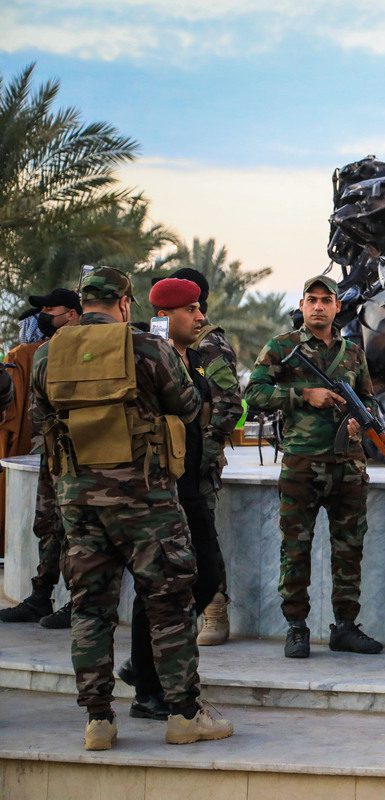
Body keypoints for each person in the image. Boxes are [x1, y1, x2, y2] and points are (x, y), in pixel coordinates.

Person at [28, 266, 233, 750]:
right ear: (125, 302)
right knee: (168, 604)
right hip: (146, 499)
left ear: (83, 302)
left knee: (90, 610)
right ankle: (183, 714)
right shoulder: (146, 347)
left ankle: (99, 721)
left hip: (78, 501)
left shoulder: (45, 354)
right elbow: (185, 404)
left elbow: (41, 418)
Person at [245, 275, 383, 659]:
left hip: (348, 466)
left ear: (338, 307)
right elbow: (253, 393)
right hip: (303, 463)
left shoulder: (353, 352)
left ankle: (346, 627)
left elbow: (370, 399)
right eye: (312, 300)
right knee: (296, 549)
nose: (319, 306)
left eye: (326, 300)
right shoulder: (282, 347)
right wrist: (303, 394)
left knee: (349, 549)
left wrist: (361, 419)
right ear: (302, 306)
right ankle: (296, 628)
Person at [119, 278, 233, 720]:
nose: (201, 317)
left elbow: (219, 406)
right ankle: (148, 688)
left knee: (206, 575)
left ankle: (150, 663)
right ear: (168, 315)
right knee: (157, 586)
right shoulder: (147, 353)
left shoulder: (199, 355)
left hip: (190, 482)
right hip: (159, 488)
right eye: (192, 310)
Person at [168, 267, 243, 647]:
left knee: (202, 538)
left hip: (197, 461)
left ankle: (215, 610)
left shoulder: (210, 345)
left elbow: (230, 404)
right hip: (165, 460)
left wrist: (206, 452)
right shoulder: (158, 343)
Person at [0, 289, 83, 628]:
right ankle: (40, 596)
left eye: (52, 308)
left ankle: (78, 604)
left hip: (84, 456)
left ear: (73, 314)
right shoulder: (39, 353)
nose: (45, 315)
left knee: (80, 531)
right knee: (47, 525)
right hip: (51, 452)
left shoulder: (87, 350)